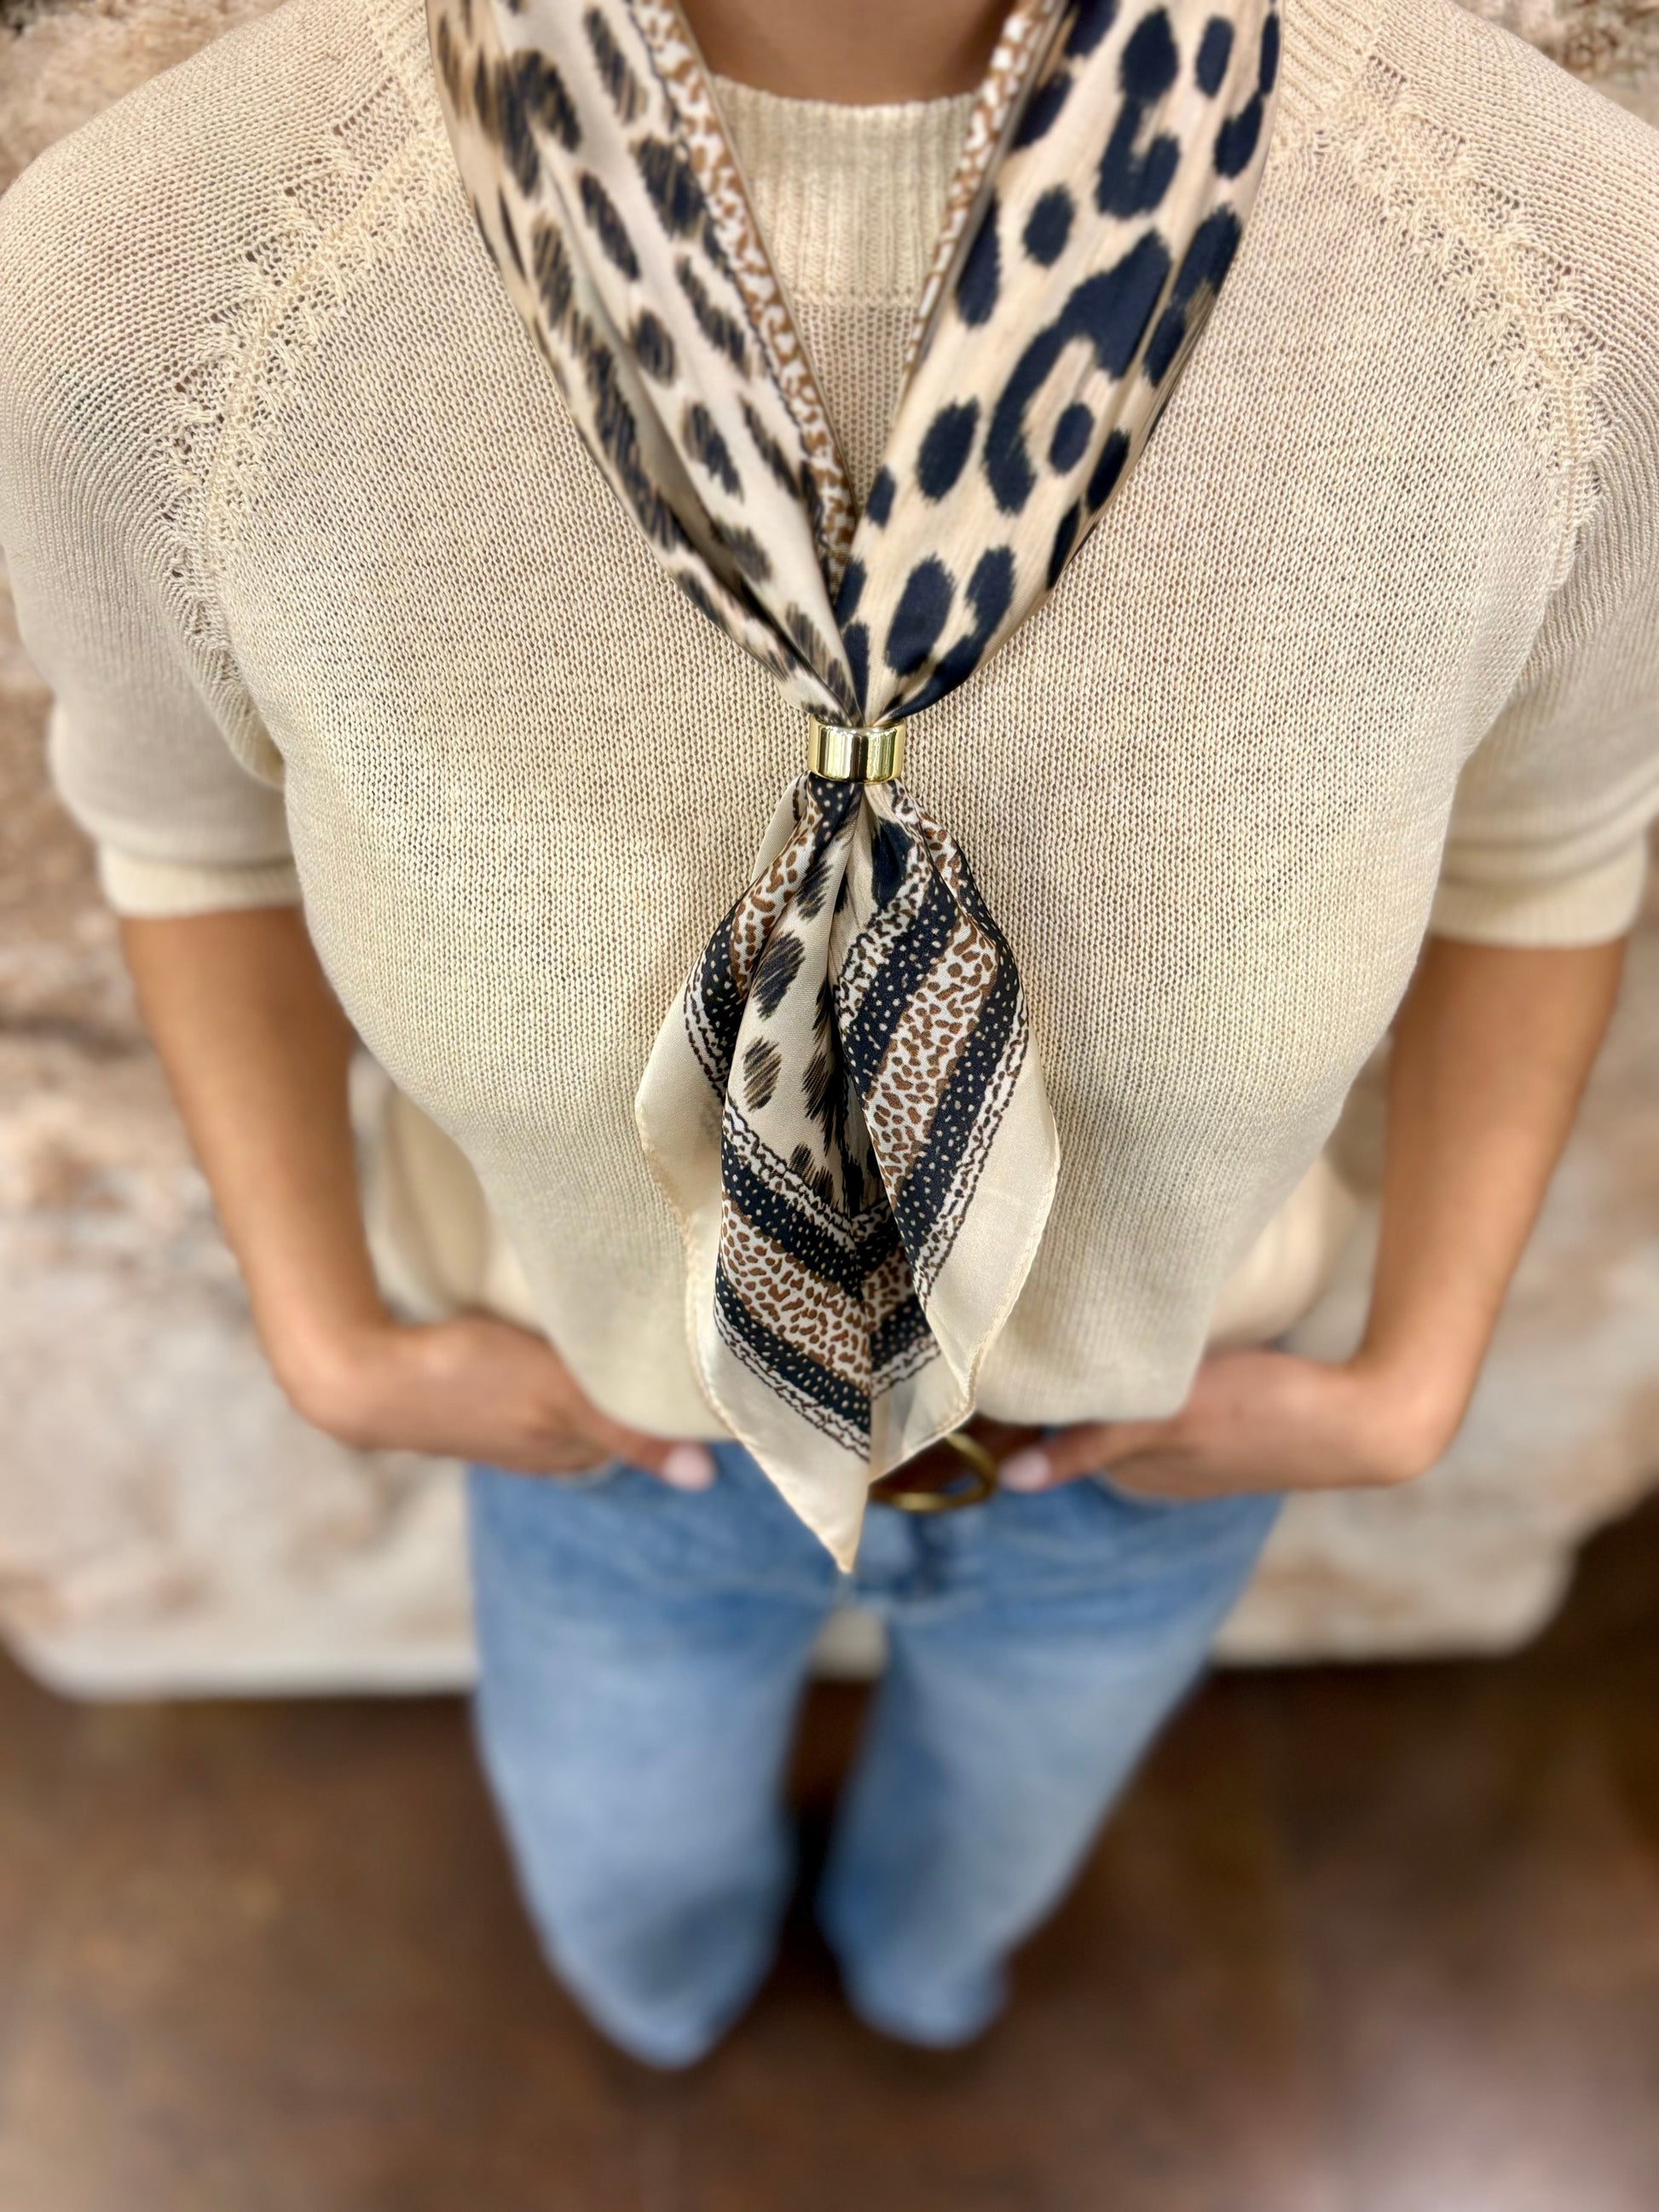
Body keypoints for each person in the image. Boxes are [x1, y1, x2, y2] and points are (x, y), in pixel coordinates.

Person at [0, 0, 1653, 2068]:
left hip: (1141, 1450)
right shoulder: (157, 278)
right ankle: (671, 2034)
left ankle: (917, 1997)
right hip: (607, 1437)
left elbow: (1551, 844)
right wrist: (325, 1332)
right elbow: (182, 829)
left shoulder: (1560, 277)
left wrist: (1413, 1376)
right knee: (628, 1910)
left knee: (969, 1904)